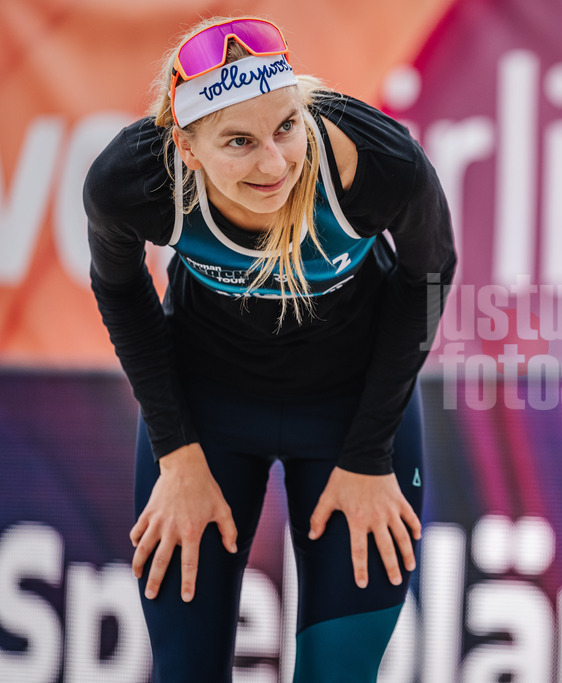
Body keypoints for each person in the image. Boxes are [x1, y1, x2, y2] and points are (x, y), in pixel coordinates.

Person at [84, 15, 455, 682]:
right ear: (188, 150)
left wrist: (369, 453)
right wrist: (177, 450)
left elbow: (428, 275)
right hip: (206, 414)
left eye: (286, 126)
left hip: (355, 416)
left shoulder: (373, 161)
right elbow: (120, 288)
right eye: (239, 141)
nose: (276, 162)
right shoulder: (134, 181)